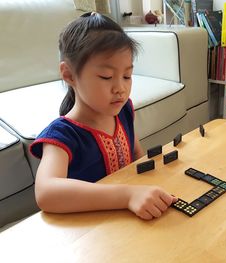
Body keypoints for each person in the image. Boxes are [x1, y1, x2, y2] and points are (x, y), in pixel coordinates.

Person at [30, 12, 177, 220]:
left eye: (127, 76)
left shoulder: (124, 111)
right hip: (89, 234)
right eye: (106, 76)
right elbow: (46, 193)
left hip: (129, 220)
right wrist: (127, 195)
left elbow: (136, 155)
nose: (120, 88)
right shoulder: (61, 136)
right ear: (69, 74)